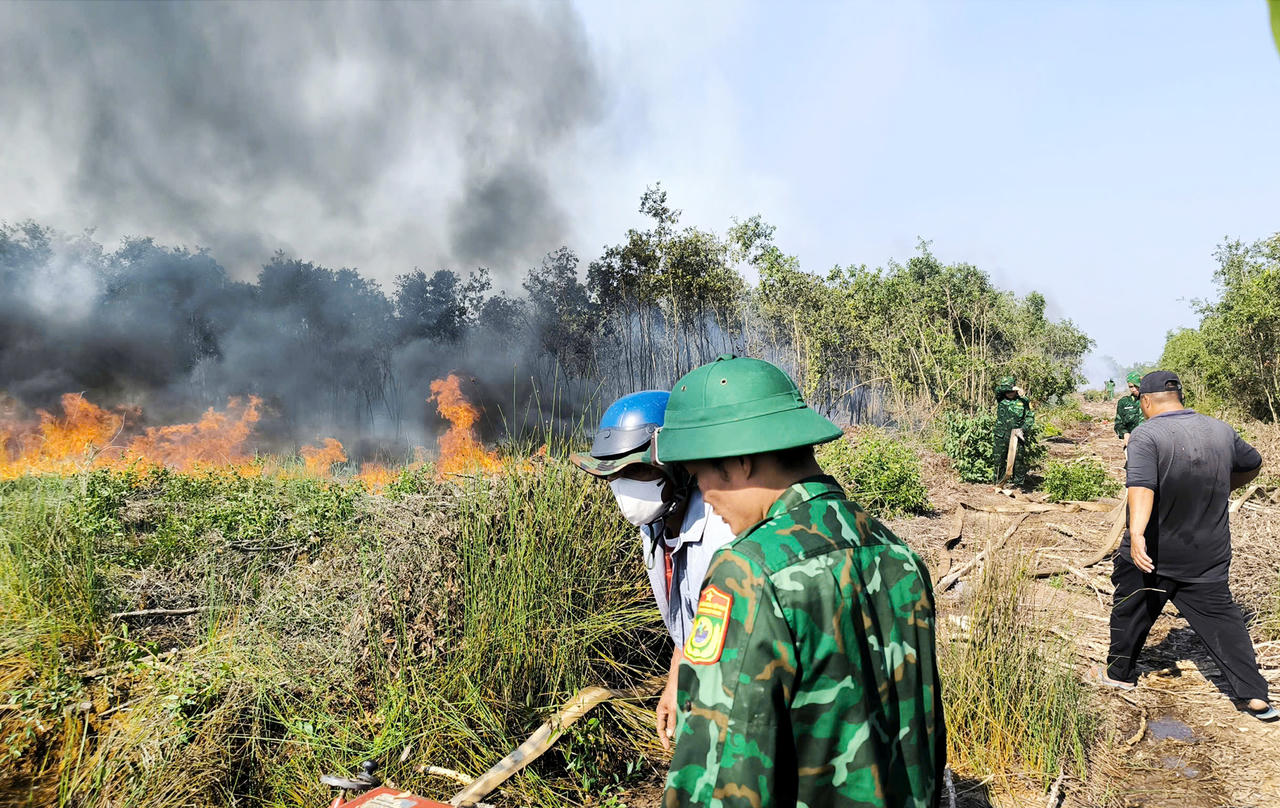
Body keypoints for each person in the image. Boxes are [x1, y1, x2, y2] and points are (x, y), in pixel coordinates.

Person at [654, 355, 944, 808]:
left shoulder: (749, 572)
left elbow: (722, 771)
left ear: (740, 459)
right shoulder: (897, 553)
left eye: (699, 476)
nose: (706, 499)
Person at [1095, 371, 1276, 721]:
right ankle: (1254, 696)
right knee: (1223, 621)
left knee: (1131, 609)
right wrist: (1222, 485)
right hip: (1207, 551)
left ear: (1145, 401)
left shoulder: (1147, 435)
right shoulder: (1220, 429)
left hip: (1156, 552)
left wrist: (1136, 535)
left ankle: (1119, 675)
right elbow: (1253, 464)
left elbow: (1142, 487)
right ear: (1178, 396)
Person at [569, 390, 737, 750]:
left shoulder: (724, 536)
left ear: (678, 466)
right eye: (613, 474)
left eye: (636, 470)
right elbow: (691, 624)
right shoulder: (654, 529)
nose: (623, 486)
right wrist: (675, 677)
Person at [993, 375, 1035, 487]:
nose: (1009, 393)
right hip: (1001, 435)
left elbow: (1030, 417)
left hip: (1017, 434)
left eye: (1011, 391)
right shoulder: (1001, 398)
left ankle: (1018, 484)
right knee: (999, 460)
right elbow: (998, 390)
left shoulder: (1023, 401)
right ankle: (998, 483)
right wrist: (1010, 387)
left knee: (1018, 461)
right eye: (1007, 391)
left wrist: (1023, 429)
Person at [1113, 371, 1145, 447]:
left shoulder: (1150, 400)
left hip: (1150, 442)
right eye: (1131, 387)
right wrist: (1125, 433)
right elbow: (1118, 424)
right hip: (1132, 443)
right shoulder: (1124, 402)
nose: (1133, 389)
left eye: (1136, 386)